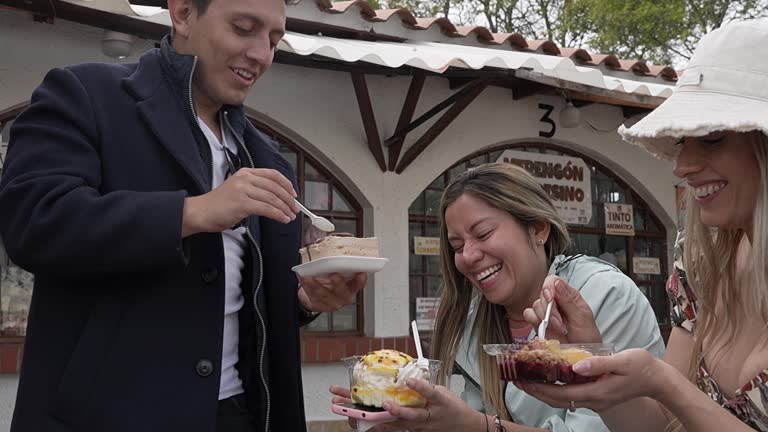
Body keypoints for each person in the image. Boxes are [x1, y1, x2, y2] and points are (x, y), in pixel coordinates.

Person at [0, 0, 367, 431]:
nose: (261, 55)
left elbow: (244, 305)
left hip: (241, 414)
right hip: (108, 417)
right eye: (244, 28)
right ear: (184, 14)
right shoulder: (85, 95)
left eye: (273, 40)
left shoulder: (267, 159)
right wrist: (191, 212)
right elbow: (33, 222)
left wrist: (304, 302)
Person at [520, 18, 768, 432]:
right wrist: (590, 359)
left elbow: (671, 395)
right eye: (681, 141)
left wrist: (664, 382)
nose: (683, 165)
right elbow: (659, 426)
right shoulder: (700, 264)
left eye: (711, 139)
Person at [331, 162, 664, 431]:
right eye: (457, 246)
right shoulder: (474, 320)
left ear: (538, 229)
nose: (469, 256)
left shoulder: (602, 296)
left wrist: (475, 427)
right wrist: (417, 423)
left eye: (483, 233)